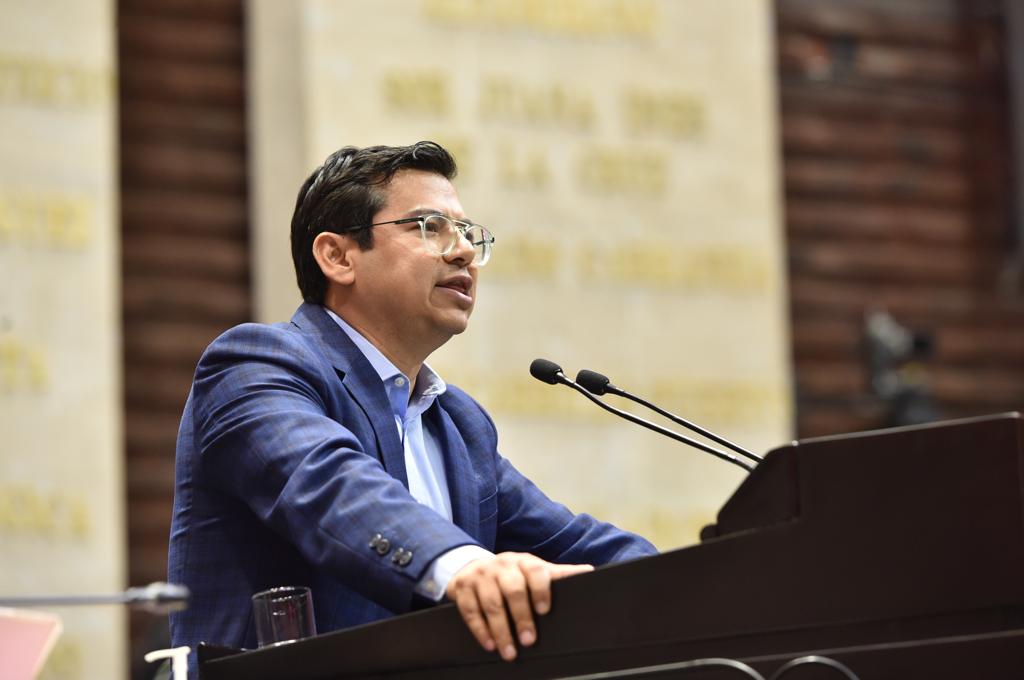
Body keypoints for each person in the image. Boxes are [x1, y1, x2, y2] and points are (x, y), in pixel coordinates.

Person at [167, 141, 657, 668]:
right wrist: (462, 566)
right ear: (337, 256)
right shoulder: (255, 364)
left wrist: (698, 580)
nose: (462, 251)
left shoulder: (459, 424)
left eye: (467, 233)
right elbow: (329, 486)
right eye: (430, 227)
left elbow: (573, 544)